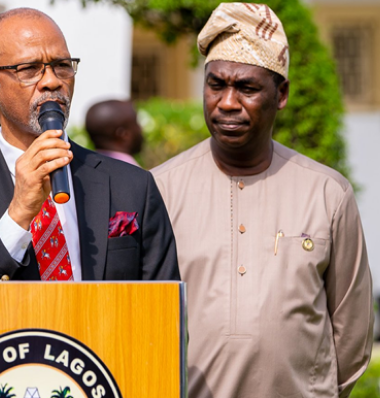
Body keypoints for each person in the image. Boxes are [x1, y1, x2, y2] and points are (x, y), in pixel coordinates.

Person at [151, 3, 373, 397]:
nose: (228, 103)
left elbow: (351, 328)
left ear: (281, 94)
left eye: (247, 88)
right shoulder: (160, 190)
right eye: (216, 84)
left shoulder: (326, 193)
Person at [0, 8, 179, 282]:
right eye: (29, 69)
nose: (52, 81)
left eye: (62, 65)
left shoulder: (132, 184)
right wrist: (18, 215)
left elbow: (165, 309)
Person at [85, 100, 143, 167]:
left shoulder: (86, 169)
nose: (141, 128)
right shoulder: (135, 173)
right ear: (124, 135)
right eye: (136, 123)